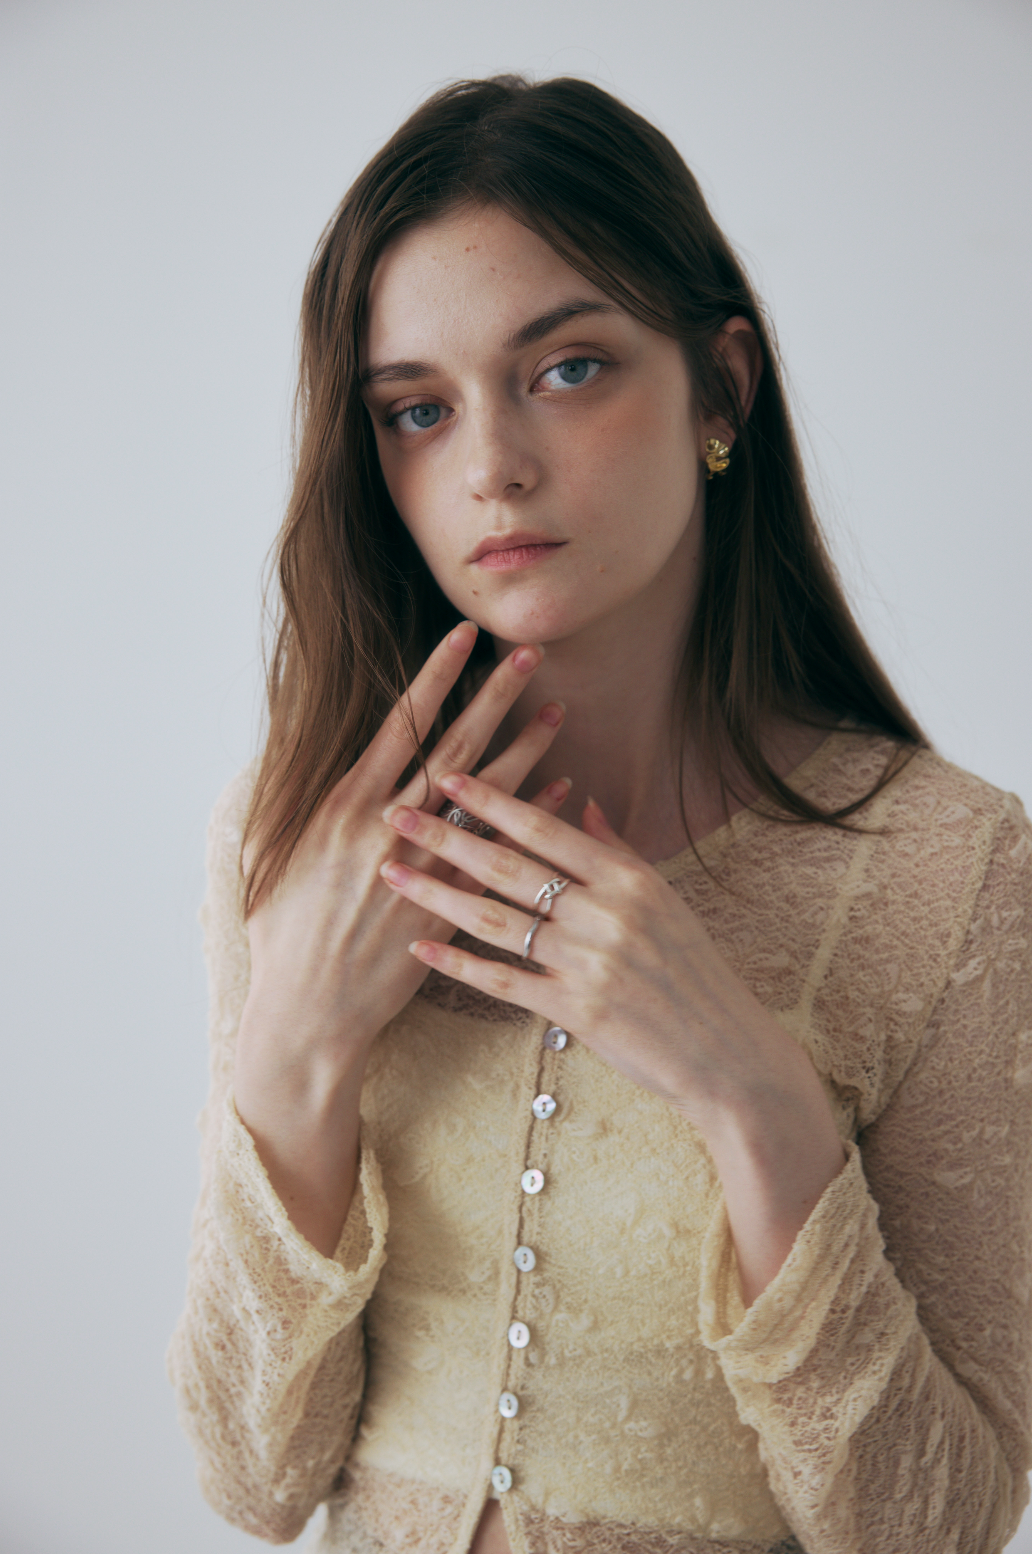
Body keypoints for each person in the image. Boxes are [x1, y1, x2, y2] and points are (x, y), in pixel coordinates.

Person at [167, 74, 1032, 1554]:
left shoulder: (952, 874)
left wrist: (755, 1101)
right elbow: (255, 1481)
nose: (490, 465)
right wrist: (295, 1046)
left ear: (723, 390)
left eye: (566, 369)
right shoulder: (294, 837)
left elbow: (936, 1527)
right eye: (417, 410)